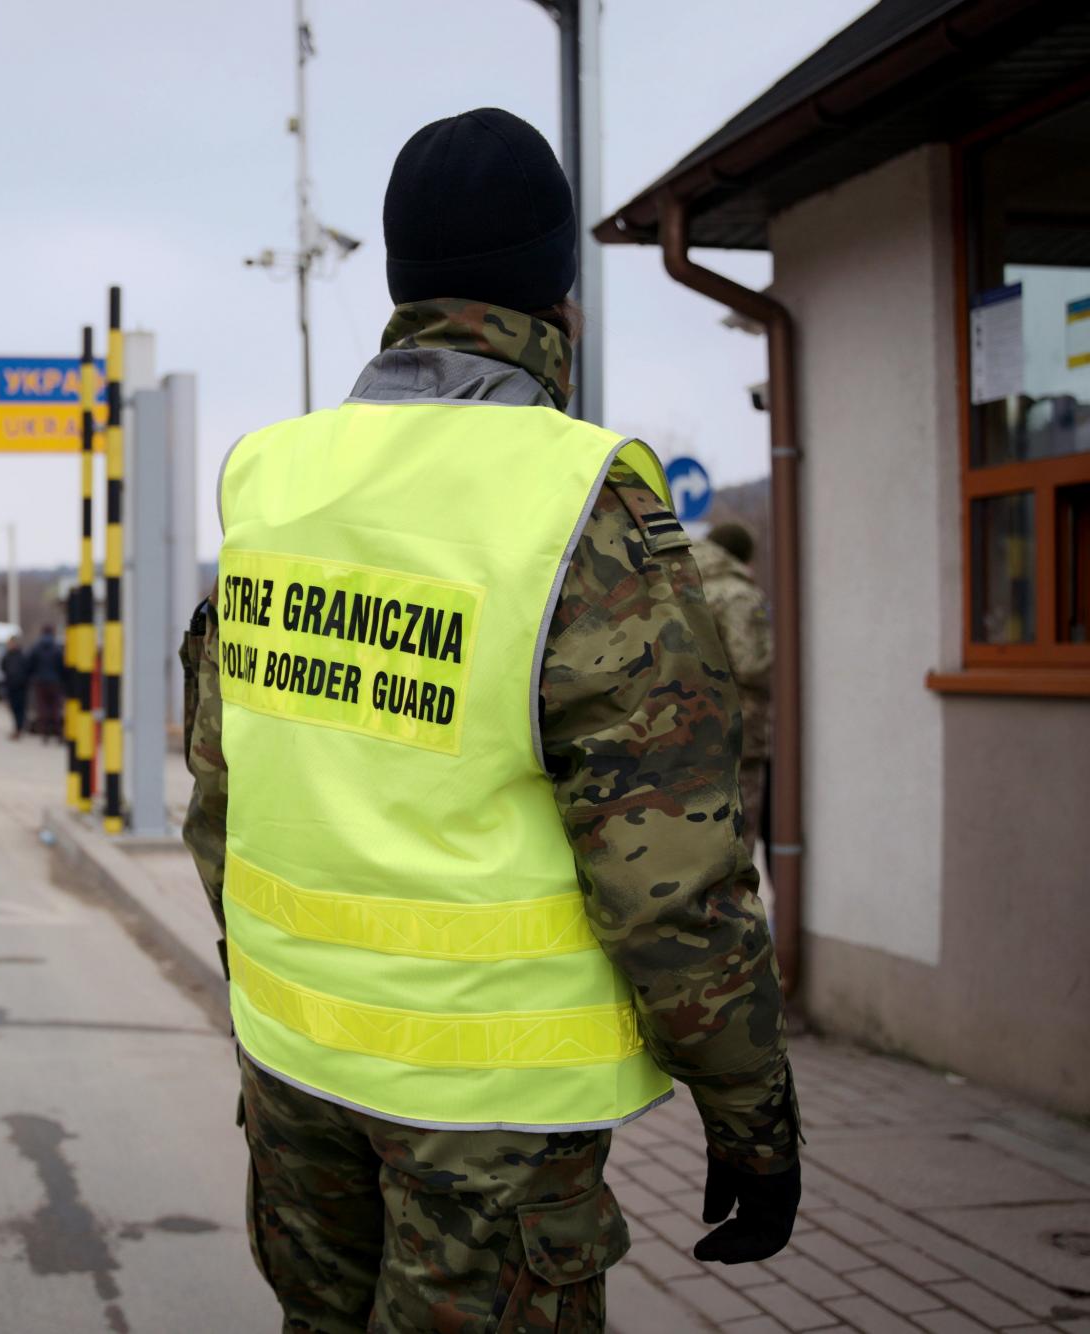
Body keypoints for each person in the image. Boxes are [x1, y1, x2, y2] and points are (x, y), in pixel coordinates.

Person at [181, 108, 798, 1332]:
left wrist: (286, 982)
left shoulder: (270, 478)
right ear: (554, 291)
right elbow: (670, 875)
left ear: (400, 282)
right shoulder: (572, 502)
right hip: (491, 1115)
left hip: (292, 1070)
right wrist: (749, 1110)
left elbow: (219, 793)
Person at [693, 522, 773, 860]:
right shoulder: (738, 594)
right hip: (736, 734)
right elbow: (754, 665)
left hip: (684, 730)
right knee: (738, 843)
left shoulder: (679, 584)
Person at [27, 625, 64, 742]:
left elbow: (30, 663)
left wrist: (33, 677)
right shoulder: (57, 647)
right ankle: (58, 733)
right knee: (55, 709)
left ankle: (45, 735)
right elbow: (62, 665)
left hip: (40, 682)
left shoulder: (36, 647)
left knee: (42, 708)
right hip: (55, 682)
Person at [0, 636, 31, 739]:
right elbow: (3, 667)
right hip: (11, 686)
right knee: (14, 708)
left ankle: (19, 728)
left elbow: (28, 670)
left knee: (20, 708)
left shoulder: (22, 655)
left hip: (21, 686)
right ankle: (18, 727)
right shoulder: (7, 656)